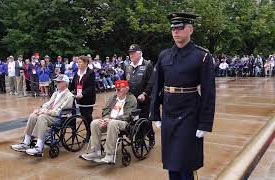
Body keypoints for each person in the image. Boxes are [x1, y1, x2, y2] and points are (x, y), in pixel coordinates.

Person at [150, 12, 216, 180]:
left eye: (180, 28)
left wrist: (205, 123)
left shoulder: (202, 56)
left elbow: (208, 93)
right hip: (169, 112)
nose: (175, 32)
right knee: (171, 162)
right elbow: (157, 86)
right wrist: (155, 113)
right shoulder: (165, 55)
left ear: (190, 29)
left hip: (190, 113)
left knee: (186, 162)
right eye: (173, 28)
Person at [11, 74, 74, 156]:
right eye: (56, 82)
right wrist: (40, 109)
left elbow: (60, 111)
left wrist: (46, 112)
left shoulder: (69, 96)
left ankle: (39, 147)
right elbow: (48, 104)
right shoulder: (55, 93)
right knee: (33, 115)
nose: (56, 83)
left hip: (60, 117)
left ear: (65, 83)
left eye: (59, 82)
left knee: (42, 117)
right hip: (50, 114)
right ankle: (26, 142)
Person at [79, 80, 137, 163]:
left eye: (119, 89)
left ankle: (110, 154)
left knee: (113, 123)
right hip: (109, 119)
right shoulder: (113, 98)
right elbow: (105, 110)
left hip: (123, 122)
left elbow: (128, 115)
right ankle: (96, 151)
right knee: (94, 123)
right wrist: (106, 118)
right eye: (116, 89)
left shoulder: (132, 99)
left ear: (126, 89)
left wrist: (112, 120)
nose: (117, 91)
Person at [124, 44, 155, 146]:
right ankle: (138, 137)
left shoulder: (147, 65)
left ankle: (149, 136)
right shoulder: (128, 66)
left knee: (144, 119)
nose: (131, 55)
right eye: (130, 53)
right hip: (131, 100)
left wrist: (144, 93)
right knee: (133, 119)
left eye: (133, 53)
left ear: (140, 53)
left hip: (143, 99)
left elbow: (151, 83)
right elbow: (124, 81)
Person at [69, 55, 96, 139]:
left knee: (87, 117)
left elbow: (91, 87)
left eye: (80, 62)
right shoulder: (77, 73)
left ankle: (91, 133)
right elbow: (72, 85)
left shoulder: (90, 73)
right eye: (78, 62)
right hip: (79, 100)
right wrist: (66, 91)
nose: (78, 64)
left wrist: (82, 94)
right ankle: (89, 132)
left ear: (86, 63)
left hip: (88, 100)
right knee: (83, 117)